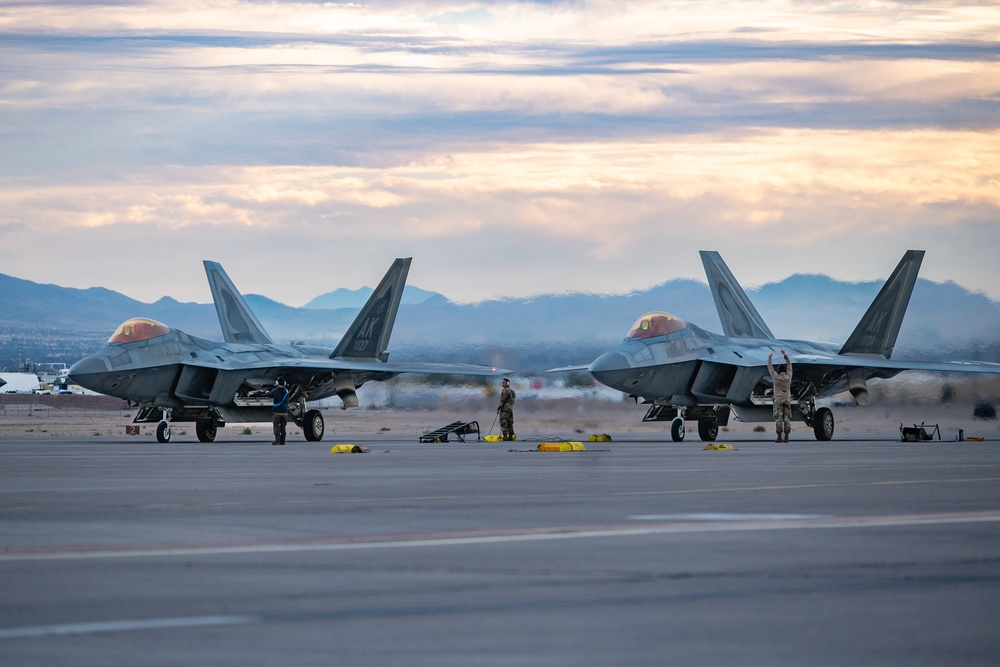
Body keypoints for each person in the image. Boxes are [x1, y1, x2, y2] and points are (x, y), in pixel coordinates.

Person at [767, 350, 792, 442]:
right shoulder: (789, 376)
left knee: (778, 419)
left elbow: (770, 367)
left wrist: (770, 357)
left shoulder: (776, 377)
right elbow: (789, 366)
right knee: (787, 418)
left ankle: (779, 437)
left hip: (778, 400)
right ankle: (786, 437)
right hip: (787, 400)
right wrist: (785, 356)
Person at [269, 377, 290, 445]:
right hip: (284, 413)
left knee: (276, 426)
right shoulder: (286, 391)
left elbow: (270, 395)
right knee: (283, 427)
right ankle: (283, 441)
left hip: (277, 412)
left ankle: (277, 440)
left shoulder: (275, 390)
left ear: (277, 383)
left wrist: (267, 392)